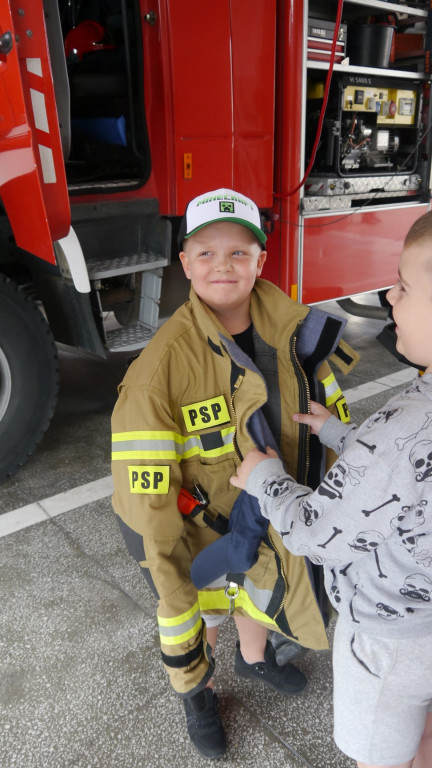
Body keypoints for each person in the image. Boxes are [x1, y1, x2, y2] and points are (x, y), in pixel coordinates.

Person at [111, 188, 358, 759]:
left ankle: (254, 659)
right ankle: (200, 692)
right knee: (206, 607)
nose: (223, 266)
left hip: (271, 514)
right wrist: (168, 565)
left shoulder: (297, 333)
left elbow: (334, 418)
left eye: (239, 253)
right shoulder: (160, 370)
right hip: (199, 530)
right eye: (206, 253)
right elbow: (146, 498)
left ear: (261, 261)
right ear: (184, 264)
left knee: (256, 592)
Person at [230, 210, 432, 768]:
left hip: (390, 641)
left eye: (406, 286)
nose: (390, 296)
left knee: (379, 755)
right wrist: (344, 434)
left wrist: (264, 480)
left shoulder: (400, 430)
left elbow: (319, 534)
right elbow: (415, 472)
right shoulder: (400, 434)